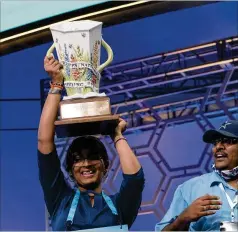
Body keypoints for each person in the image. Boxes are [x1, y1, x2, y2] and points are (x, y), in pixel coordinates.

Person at [38, 55, 145, 231]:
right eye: (78, 159)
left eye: (93, 157)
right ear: (70, 170)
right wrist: (57, 85)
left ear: (106, 165)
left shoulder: (120, 207)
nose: (86, 164)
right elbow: (44, 142)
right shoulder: (60, 200)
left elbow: (135, 179)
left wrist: (116, 134)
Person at [155, 120, 238, 231]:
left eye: (227, 141)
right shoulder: (189, 188)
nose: (218, 147)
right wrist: (182, 219)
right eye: (215, 143)